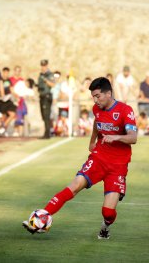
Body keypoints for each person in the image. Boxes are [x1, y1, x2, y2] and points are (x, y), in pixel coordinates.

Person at [22, 77, 138, 239]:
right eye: (93, 97)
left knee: (108, 212)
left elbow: (133, 137)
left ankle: (105, 227)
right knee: (75, 185)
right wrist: (92, 142)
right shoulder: (96, 109)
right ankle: (42, 216)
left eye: (98, 96)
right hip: (99, 158)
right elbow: (97, 125)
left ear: (109, 93)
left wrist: (116, 137)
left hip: (118, 165)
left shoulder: (126, 110)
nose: (95, 100)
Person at [37, 59, 55, 139]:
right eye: (42, 65)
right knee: (43, 115)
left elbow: (52, 84)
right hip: (41, 96)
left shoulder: (49, 74)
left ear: (47, 65)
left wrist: (45, 80)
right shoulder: (40, 74)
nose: (43, 67)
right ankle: (47, 131)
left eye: (44, 65)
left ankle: (47, 133)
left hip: (47, 97)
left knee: (46, 115)